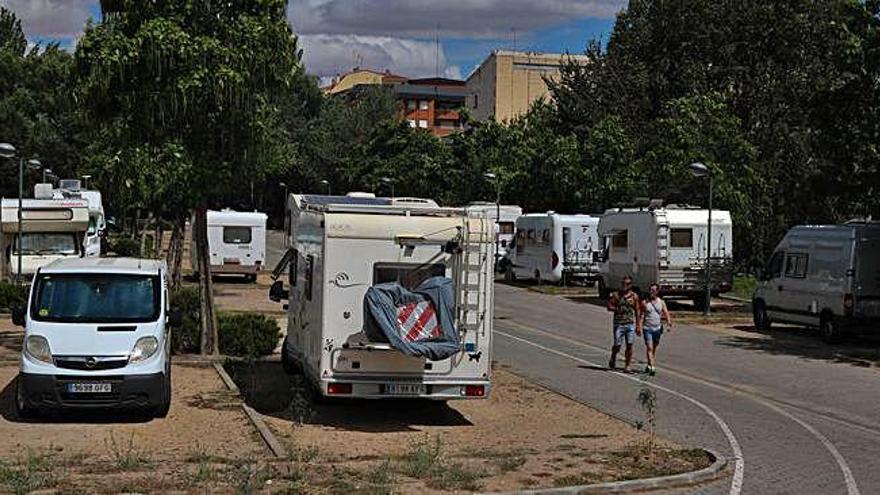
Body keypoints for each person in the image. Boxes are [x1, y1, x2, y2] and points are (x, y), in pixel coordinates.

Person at [606, 275, 641, 372]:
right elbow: (609, 306)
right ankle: (613, 356)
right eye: (624, 283)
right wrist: (616, 308)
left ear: (631, 285)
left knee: (629, 344)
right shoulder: (616, 295)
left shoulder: (634, 296)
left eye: (628, 284)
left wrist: (638, 325)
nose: (625, 285)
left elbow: (637, 310)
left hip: (629, 323)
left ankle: (627, 364)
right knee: (617, 344)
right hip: (619, 323)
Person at [641, 283, 673, 376]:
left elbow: (666, 312)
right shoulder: (645, 302)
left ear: (657, 292)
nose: (651, 292)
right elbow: (640, 315)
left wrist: (669, 323)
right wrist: (638, 326)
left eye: (653, 290)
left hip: (657, 328)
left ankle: (649, 363)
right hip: (647, 328)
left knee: (654, 348)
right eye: (650, 290)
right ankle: (652, 366)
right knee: (649, 347)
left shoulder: (661, 302)